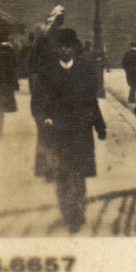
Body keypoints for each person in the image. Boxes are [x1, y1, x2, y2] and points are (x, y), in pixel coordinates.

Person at [30, 29, 107, 234]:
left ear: (74, 49)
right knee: (62, 175)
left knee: (79, 174)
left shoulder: (85, 70)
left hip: (80, 129)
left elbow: (92, 101)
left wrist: (100, 126)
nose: (65, 50)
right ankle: (67, 213)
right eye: (61, 47)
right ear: (57, 49)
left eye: (68, 46)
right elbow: (37, 101)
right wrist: (43, 118)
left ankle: (78, 212)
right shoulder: (47, 72)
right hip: (56, 130)